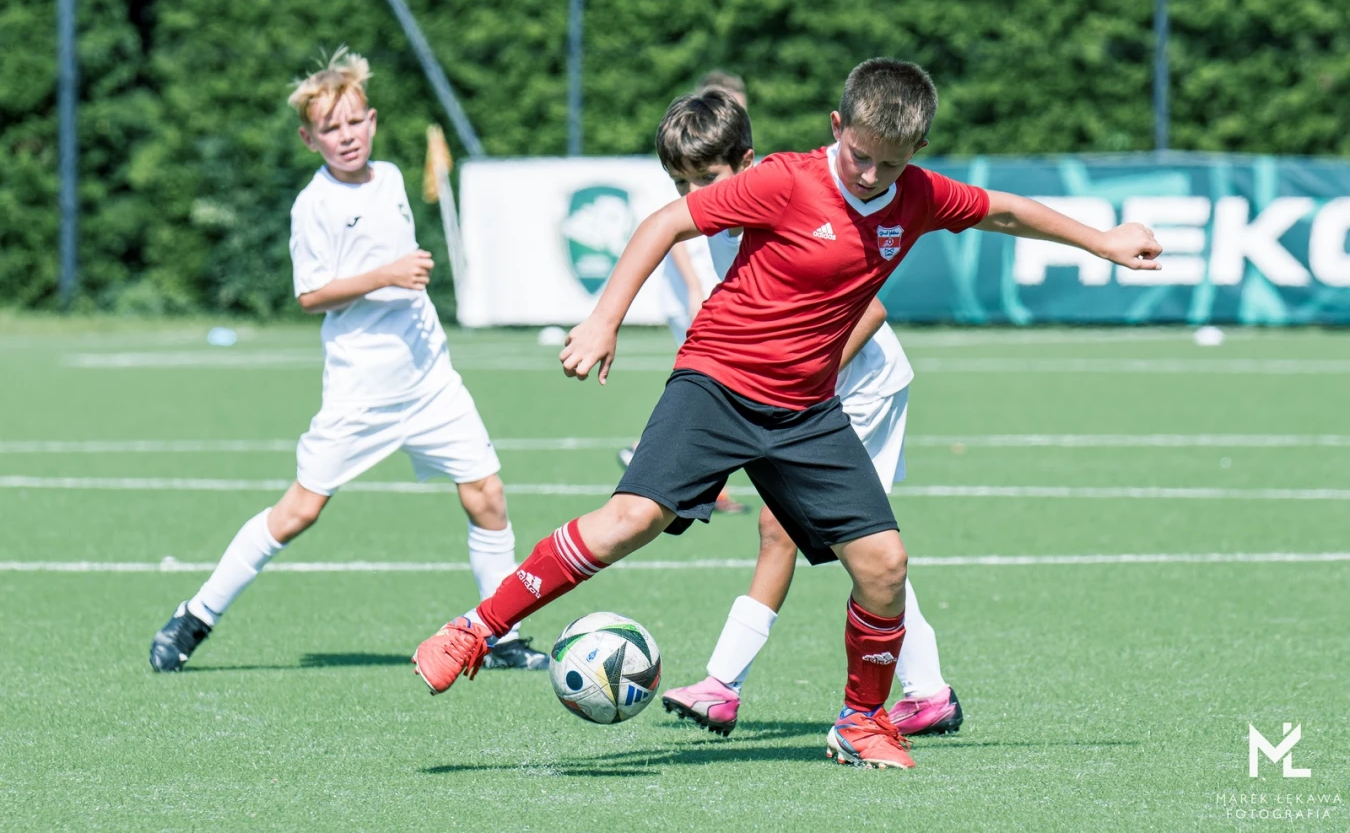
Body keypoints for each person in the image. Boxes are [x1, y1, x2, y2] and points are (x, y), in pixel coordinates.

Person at [412, 58, 1161, 769]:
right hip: (717, 381)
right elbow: (664, 224)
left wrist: (1102, 242)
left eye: (890, 163)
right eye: (859, 155)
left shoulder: (918, 195)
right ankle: (476, 629)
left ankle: (860, 722)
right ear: (838, 126)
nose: (870, 175)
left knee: (884, 566)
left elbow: (1004, 211)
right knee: (630, 521)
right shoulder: (784, 180)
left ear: (916, 152)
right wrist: (605, 319)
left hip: (806, 409)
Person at [148, 49, 546, 673]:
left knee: (486, 495)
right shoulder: (314, 205)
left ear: (372, 121)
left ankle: (501, 636)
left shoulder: (390, 178)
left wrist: (399, 277)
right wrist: (387, 273)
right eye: (330, 128)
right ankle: (194, 616)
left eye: (354, 122)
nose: (346, 136)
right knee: (299, 511)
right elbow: (311, 294)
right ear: (309, 139)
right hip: (363, 389)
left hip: (430, 379)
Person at [650, 90, 959, 738]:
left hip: (861, 384)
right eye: (680, 184)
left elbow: (871, 313)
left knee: (803, 531)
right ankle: (926, 690)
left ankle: (722, 685)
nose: (693, 195)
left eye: (705, 179)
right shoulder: (721, 226)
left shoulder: (778, 199)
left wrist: (801, 383)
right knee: (859, 549)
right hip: (809, 394)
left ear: (746, 165)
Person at [620, 71, 752, 515]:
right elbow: (670, 232)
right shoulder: (699, 180)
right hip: (696, 298)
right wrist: (696, 290)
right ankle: (662, 464)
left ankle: (667, 465)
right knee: (708, 382)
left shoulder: (750, 189)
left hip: (718, 298)